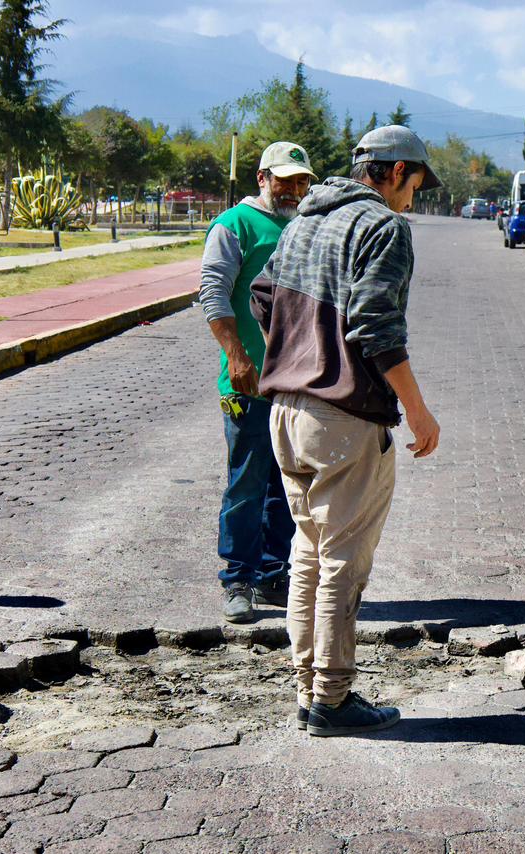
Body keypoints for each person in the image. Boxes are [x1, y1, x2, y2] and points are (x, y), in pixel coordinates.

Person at [250, 125, 442, 737]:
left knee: (307, 553)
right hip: (343, 417)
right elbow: (377, 326)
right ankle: (333, 701)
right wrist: (417, 408)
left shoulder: (306, 216)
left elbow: (262, 293)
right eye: (414, 182)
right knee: (341, 561)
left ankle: (309, 690)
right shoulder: (384, 228)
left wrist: (300, 352)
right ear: (392, 172)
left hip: (285, 412)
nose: (414, 195)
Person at [199, 141, 317, 624]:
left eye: (300, 181)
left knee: (285, 485)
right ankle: (239, 578)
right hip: (247, 383)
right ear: (261, 178)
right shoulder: (234, 225)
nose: (292, 189)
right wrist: (237, 357)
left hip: (296, 383)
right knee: (246, 483)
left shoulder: (304, 226)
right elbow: (213, 294)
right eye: (283, 179)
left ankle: (273, 573)